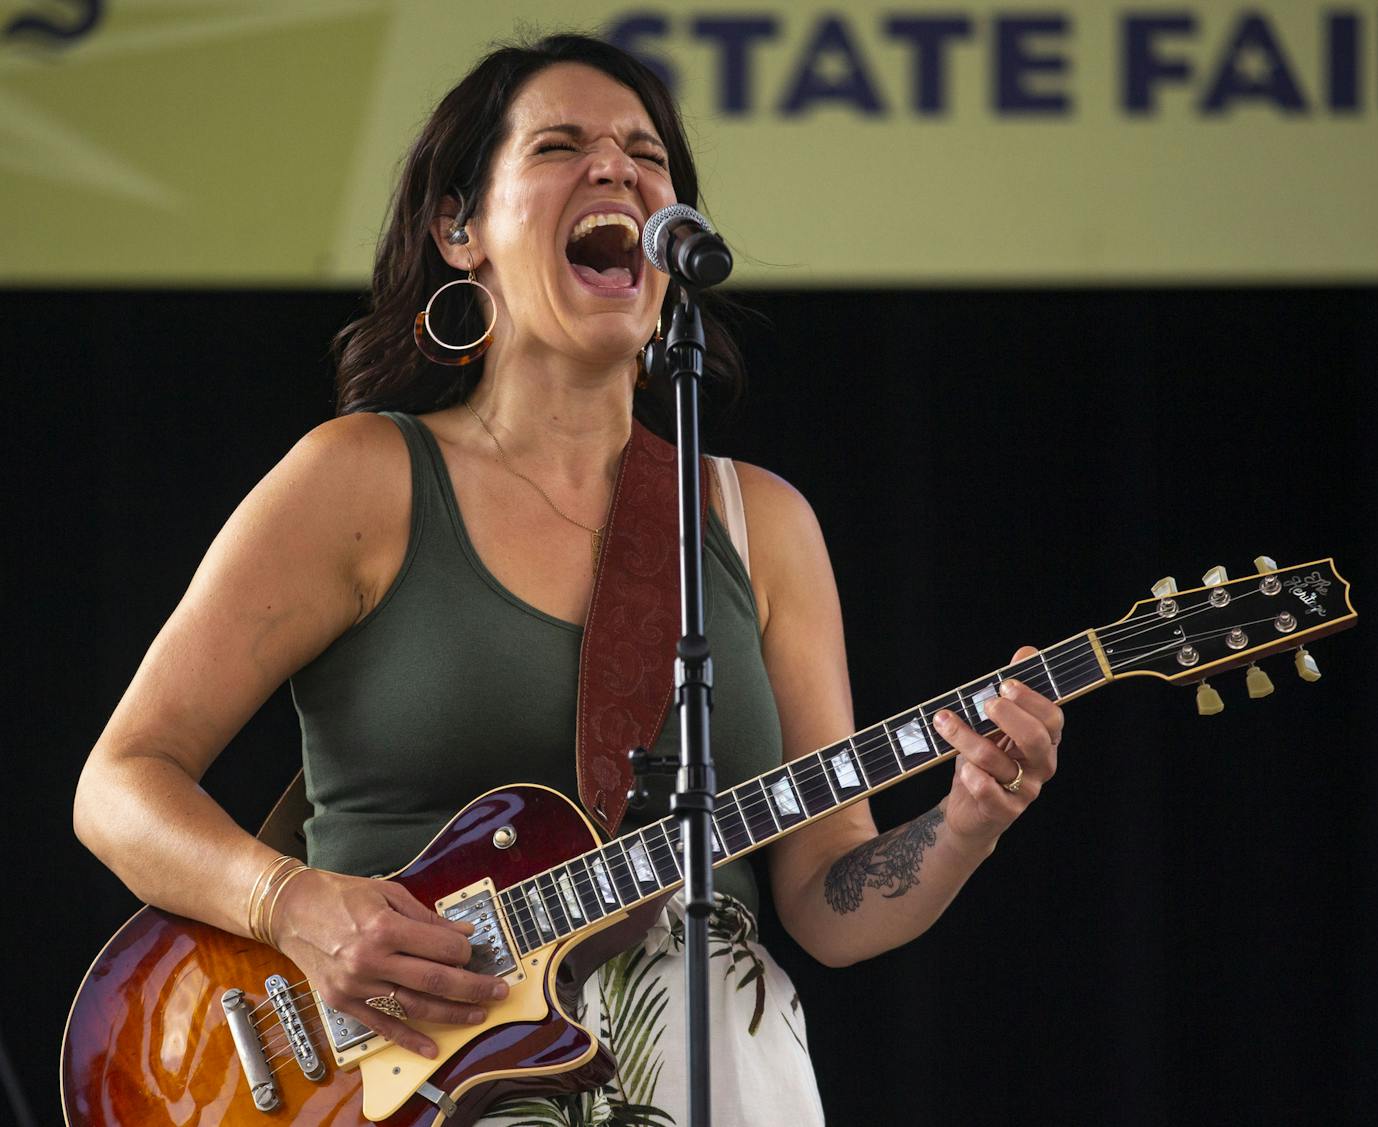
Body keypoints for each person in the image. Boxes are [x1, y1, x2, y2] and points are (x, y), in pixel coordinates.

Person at [73, 33, 1064, 1125]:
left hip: (703, 1064)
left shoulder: (759, 522)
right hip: (379, 1077)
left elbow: (827, 899)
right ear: (461, 230)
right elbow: (118, 783)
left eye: (646, 153)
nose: (616, 169)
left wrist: (968, 817)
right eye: (560, 144)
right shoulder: (359, 479)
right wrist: (291, 900)